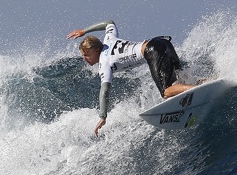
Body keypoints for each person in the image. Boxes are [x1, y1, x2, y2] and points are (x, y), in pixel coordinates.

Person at [67, 20, 196, 137]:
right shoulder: (108, 39)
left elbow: (104, 90)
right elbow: (108, 23)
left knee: (166, 91)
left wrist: (102, 117)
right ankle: (206, 82)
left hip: (153, 51)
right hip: (162, 43)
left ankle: (197, 88)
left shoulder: (104, 63)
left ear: (95, 51)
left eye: (86, 55)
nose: (85, 59)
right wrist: (84, 31)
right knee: (182, 82)